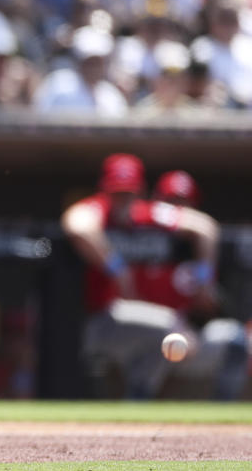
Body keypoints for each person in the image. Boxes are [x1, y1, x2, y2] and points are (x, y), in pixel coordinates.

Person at [61, 154, 247, 399]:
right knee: (168, 326)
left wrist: (205, 279)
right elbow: (77, 225)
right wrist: (116, 267)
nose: (122, 199)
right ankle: (136, 395)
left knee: (232, 339)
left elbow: (205, 227)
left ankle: (211, 411)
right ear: (105, 190)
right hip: (101, 324)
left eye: (128, 192)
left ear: (139, 192)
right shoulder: (97, 210)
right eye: (116, 192)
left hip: (170, 334)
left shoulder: (147, 216)